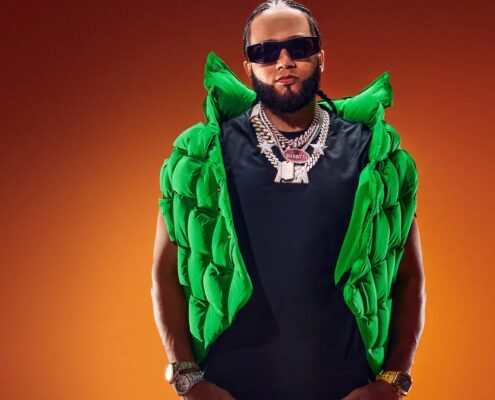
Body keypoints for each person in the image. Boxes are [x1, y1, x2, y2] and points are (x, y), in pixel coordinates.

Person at [151, 1, 425, 399]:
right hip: (229, 389)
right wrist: (187, 377)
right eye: (264, 52)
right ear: (248, 66)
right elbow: (165, 271)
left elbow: (410, 276)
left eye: (299, 47)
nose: (284, 61)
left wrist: (394, 382)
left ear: (320, 56)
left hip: (345, 388)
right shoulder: (201, 155)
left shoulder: (376, 155)